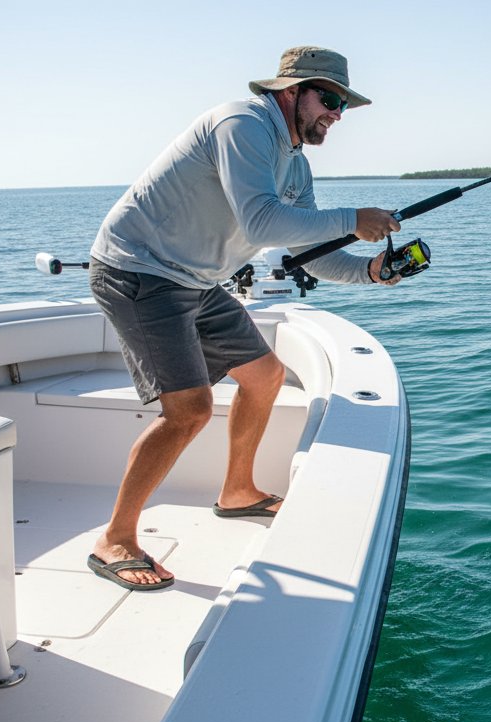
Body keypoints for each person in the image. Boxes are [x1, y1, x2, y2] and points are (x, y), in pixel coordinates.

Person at [86, 46, 400, 590]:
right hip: (140, 272)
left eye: (342, 104)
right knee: (188, 411)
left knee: (265, 374)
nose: (336, 113)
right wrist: (355, 217)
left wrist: (369, 272)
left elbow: (311, 250)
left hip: (197, 281)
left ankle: (237, 494)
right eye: (328, 98)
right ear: (290, 91)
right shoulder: (242, 123)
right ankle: (114, 538)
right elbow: (260, 222)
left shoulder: (296, 165)